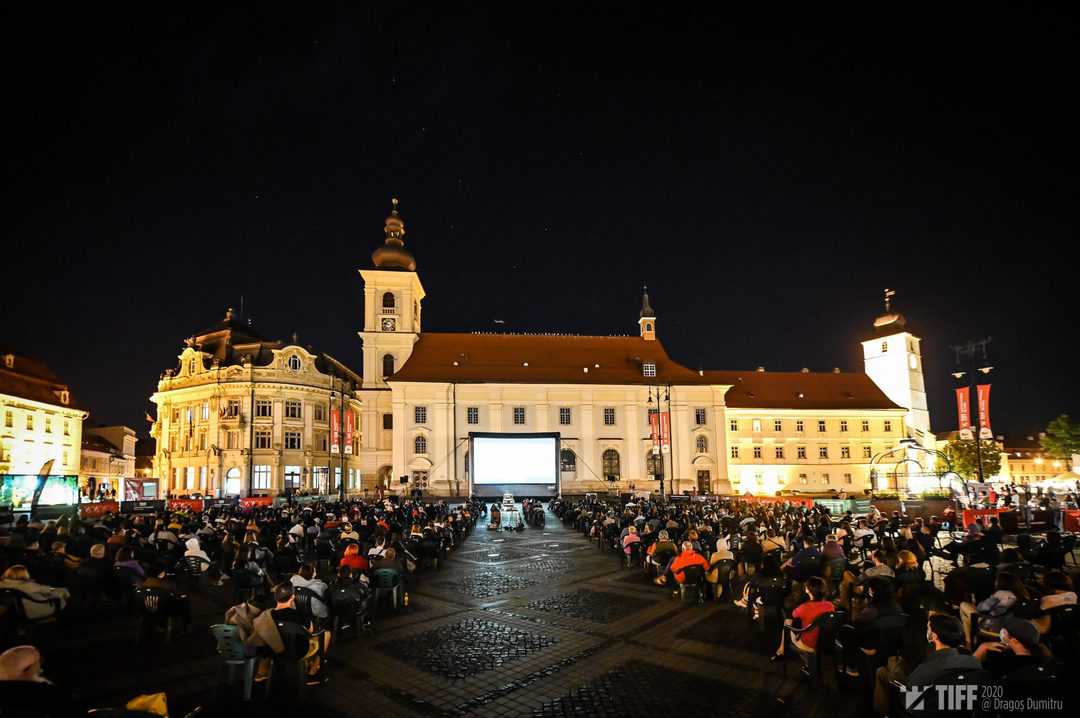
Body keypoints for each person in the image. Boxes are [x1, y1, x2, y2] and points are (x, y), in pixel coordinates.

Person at [873, 614, 980, 715]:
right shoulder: (972, 661)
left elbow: (909, 698)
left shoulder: (926, 669)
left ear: (933, 636)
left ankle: (885, 714)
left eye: (928, 628)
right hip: (955, 705)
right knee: (892, 663)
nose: (927, 631)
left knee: (882, 671)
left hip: (923, 706)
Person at [772, 576, 834, 668]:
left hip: (810, 644)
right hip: (825, 642)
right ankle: (782, 651)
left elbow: (793, 614)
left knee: (787, 622)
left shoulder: (804, 608)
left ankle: (781, 650)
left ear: (807, 590)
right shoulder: (830, 605)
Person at [0, 566, 70, 620]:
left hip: (17, 611)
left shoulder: (2, 584)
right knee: (61, 593)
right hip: (33, 610)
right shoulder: (28, 585)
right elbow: (47, 589)